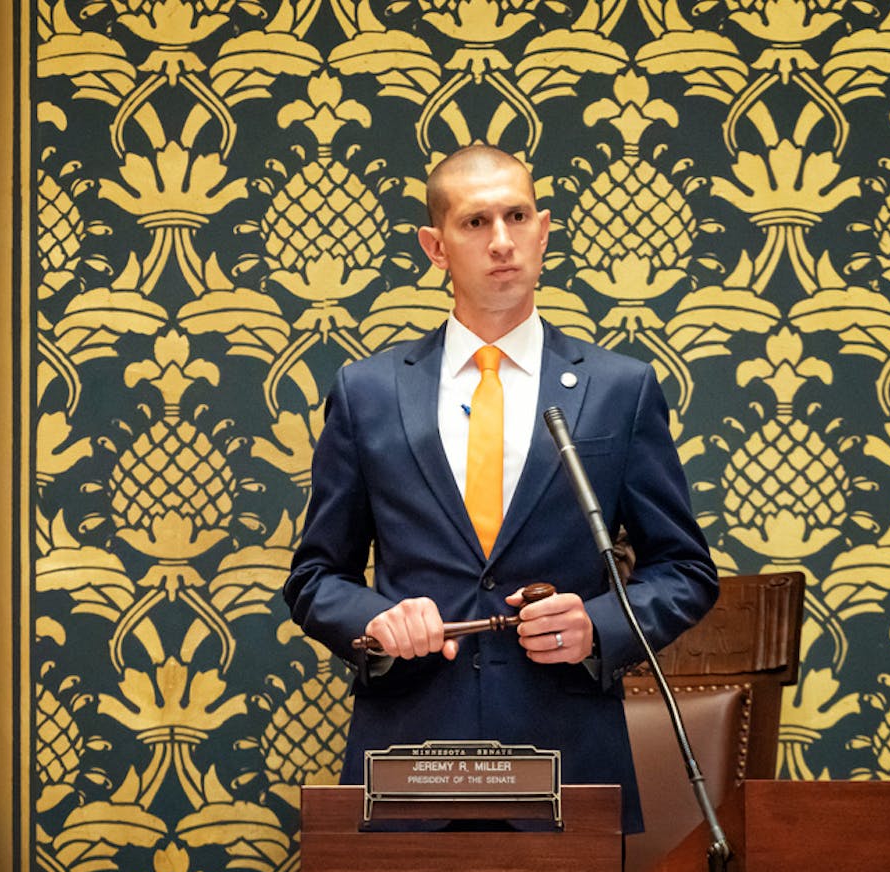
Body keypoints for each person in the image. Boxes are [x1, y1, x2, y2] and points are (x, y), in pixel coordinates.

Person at [283, 145, 718, 833]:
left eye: (517, 216)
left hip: (568, 759)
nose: (503, 241)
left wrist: (596, 627)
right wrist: (376, 620)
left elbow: (686, 569)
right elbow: (314, 577)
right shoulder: (367, 393)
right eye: (476, 222)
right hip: (410, 757)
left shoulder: (618, 391)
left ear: (544, 229)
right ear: (435, 246)